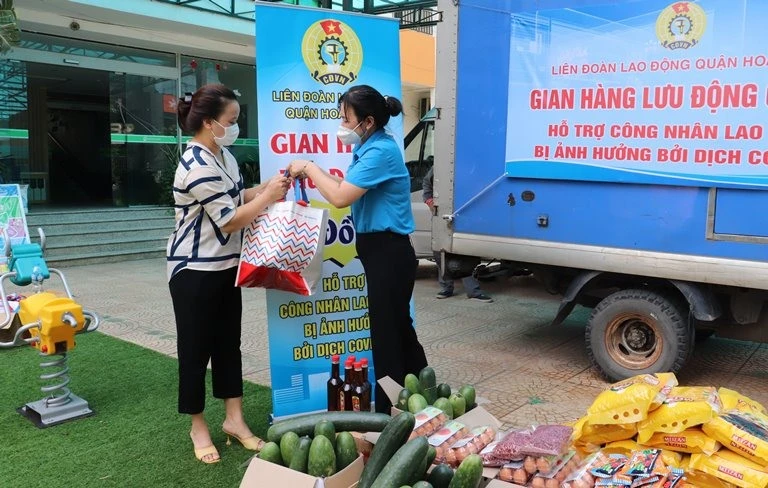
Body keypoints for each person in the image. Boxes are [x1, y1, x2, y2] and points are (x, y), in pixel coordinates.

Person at [168, 83, 291, 464]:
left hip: (225, 268)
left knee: (228, 346)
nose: (236, 126)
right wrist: (267, 197)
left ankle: (234, 421)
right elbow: (229, 219)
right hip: (193, 272)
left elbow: (237, 198)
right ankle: (198, 426)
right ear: (209, 122)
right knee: (195, 350)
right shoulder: (196, 165)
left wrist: (267, 188)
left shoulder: (223, 156)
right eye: (231, 120)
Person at [286, 85, 428, 414]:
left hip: (388, 252)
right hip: (381, 251)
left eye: (345, 118)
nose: (341, 124)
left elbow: (339, 198)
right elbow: (343, 188)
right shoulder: (368, 147)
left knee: (387, 332)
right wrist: (312, 172)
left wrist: (308, 166)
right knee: (398, 326)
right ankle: (422, 393)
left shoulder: (380, 152)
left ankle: (389, 411)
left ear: (367, 121)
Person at [422, 166, 493, 302]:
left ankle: (474, 291)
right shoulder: (441, 163)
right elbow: (427, 182)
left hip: (465, 212)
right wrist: (430, 201)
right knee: (441, 251)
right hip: (442, 213)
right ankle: (446, 288)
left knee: (464, 250)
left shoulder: (470, 164)